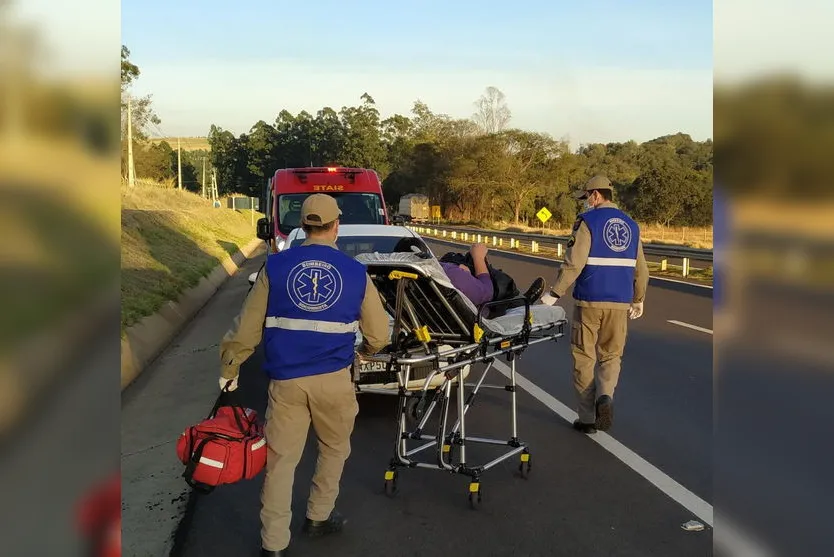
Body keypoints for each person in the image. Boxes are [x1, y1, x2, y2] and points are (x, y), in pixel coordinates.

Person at [218, 194, 390, 556]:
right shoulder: (355, 272)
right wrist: (364, 353)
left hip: (286, 382)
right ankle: (318, 516)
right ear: (335, 226)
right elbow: (379, 335)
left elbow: (248, 326)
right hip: (334, 379)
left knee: (281, 461)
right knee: (333, 449)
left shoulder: (276, 267)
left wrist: (231, 366)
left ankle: (274, 544)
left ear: (304, 226)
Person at [539, 175, 649, 434]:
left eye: (587, 196)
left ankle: (587, 418)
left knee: (584, 357)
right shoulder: (632, 225)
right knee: (611, 355)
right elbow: (641, 269)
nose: (586, 202)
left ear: (596, 195)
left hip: (589, 300)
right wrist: (639, 299)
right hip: (621, 303)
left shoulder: (587, 222)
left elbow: (574, 262)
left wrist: (554, 293)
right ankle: (606, 396)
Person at [439, 242, 546, 309]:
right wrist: (478, 258)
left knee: (452, 257)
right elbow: (486, 292)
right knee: (498, 281)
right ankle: (521, 302)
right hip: (480, 306)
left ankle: (519, 300)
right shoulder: (451, 274)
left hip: (446, 293)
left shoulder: (426, 271)